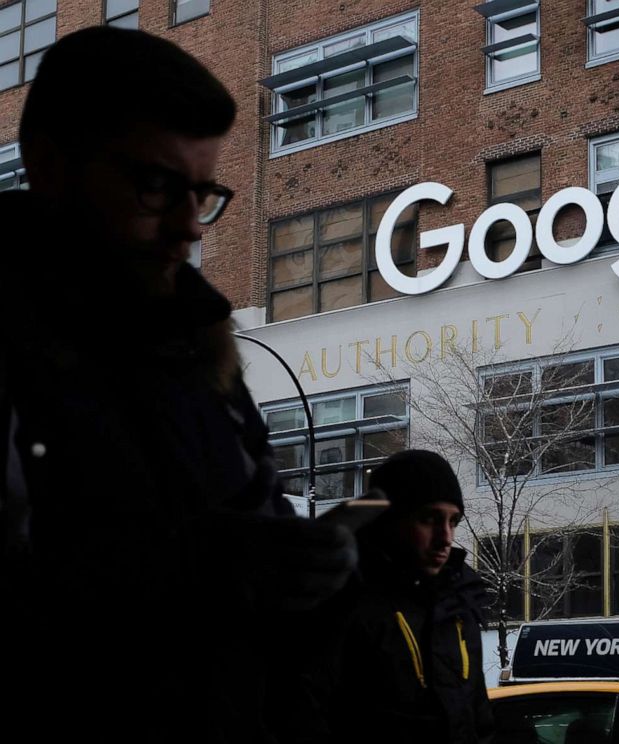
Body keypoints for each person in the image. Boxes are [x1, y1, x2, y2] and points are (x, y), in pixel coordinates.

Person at [0, 27, 355, 742]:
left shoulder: (202, 354)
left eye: (204, 193)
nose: (189, 227)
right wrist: (219, 564)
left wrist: (318, 580)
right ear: (49, 165)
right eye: (156, 185)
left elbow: (256, 536)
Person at [302, 450, 494, 744]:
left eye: (453, 521)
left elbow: (478, 719)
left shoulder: (458, 606)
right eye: (429, 519)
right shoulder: (340, 602)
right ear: (388, 521)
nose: (446, 538)